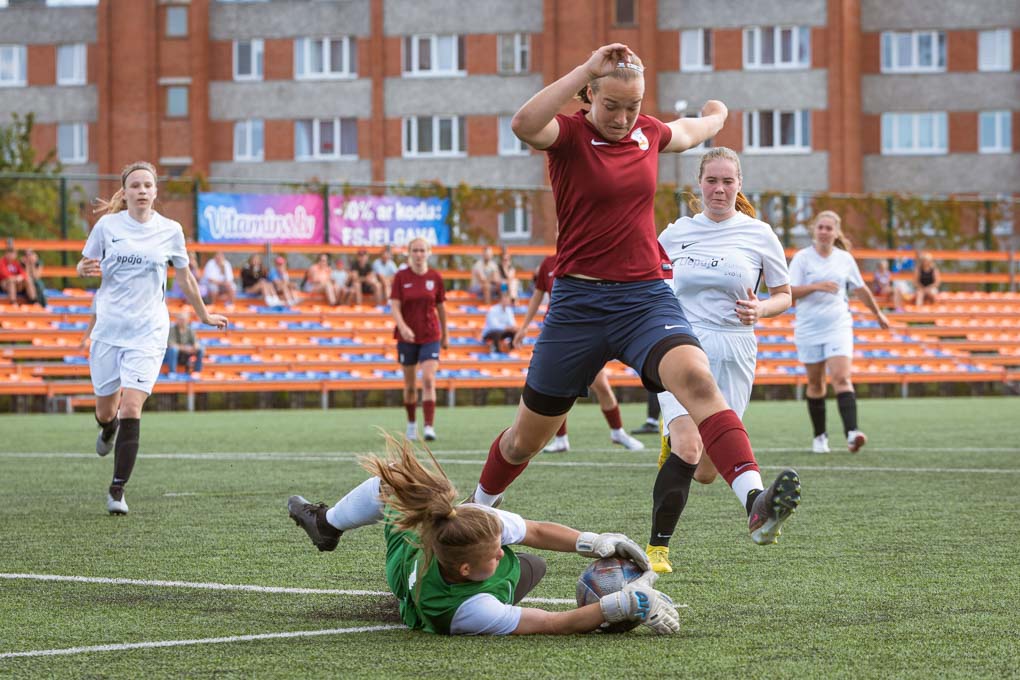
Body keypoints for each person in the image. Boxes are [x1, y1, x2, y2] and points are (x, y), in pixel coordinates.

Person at [468, 45, 785, 552]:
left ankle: (755, 501)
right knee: (526, 439)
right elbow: (525, 124)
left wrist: (716, 116)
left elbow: (689, 132)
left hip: (644, 299)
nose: (621, 118)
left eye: (632, 107)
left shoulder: (648, 133)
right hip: (578, 305)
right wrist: (585, 67)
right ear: (589, 96)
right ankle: (477, 508)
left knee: (698, 380)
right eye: (610, 105)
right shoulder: (568, 135)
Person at [286, 435, 678, 636]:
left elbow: (535, 530)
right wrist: (621, 605)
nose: (502, 550)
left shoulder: (473, 519)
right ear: (465, 569)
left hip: (427, 556)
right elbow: (551, 623)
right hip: (411, 579)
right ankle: (332, 527)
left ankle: (326, 524)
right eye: (494, 553)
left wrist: (594, 542)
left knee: (392, 483)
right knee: (531, 567)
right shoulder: (467, 611)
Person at [647, 147, 798, 573]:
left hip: (735, 348)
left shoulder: (759, 234)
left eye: (727, 181)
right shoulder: (675, 233)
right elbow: (648, 281)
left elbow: (784, 295)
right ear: (699, 184)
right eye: (711, 180)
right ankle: (657, 549)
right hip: (681, 343)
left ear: (739, 184)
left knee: (707, 470)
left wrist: (761, 309)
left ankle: (677, 444)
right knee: (689, 444)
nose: (719, 189)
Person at [76, 161, 227, 515]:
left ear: (156, 191)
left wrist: (204, 315)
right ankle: (107, 428)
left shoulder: (171, 230)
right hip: (109, 331)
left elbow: (185, 278)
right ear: (125, 192)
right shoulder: (107, 226)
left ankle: (117, 490)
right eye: (135, 185)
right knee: (106, 410)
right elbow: (85, 264)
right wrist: (81, 268)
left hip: (149, 332)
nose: (142, 190)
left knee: (131, 406)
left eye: (147, 185)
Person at [513, 252, 644, 452]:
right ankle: (561, 439)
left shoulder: (585, 257)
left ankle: (617, 432)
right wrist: (523, 328)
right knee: (556, 387)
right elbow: (537, 296)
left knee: (602, 386)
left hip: (584, 333)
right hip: (558, 334)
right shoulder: (548, 263)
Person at [789, 210, 890, 455]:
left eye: (829, 228)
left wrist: (878, 314)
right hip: (808, 327)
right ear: (814, 230)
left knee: (842, 378)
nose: (824, 232)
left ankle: (852, 433)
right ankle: (820, 436)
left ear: (836, 233)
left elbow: (861, 289)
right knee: (815, 384)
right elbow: (789, 292)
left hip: (838, 325)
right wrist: (817, 286)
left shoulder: (844, 259)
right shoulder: (802, 259)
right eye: (820, 227)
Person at [390, 238, 448, 442]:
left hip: (430, 335)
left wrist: (445, 333)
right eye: (415, 250)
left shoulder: (435, 277)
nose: (418, 254)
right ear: (409, 253)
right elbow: (394, 305)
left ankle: (429, 426)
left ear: (429, 252)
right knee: (410, 386)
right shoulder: (401, 277)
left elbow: (441, 307)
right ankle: (412, 424)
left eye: (422, 250)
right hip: (407, 338)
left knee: (429, 379)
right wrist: (403, 327)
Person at [164, 309, 204, 376]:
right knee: (173, 350)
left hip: (186, 354)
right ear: (177, 319)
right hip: (173, 355)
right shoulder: (171, 329)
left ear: (187, 320)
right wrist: (185, 348)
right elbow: (171, 344)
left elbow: (195, 343)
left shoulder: (190, 330)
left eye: (184, 319)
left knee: (200, 349)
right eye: (180, 319)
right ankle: (172, 372)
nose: (182, 321)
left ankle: (197, 372)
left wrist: (195, 346)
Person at [482, 288, 517, 353]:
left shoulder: (509, 310)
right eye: (505, 298)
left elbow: (512, 323)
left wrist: (513, 328)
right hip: (490, 333)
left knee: (516, 332)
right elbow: (493, 326)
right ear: (501, 299)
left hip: (502, 332)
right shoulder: (493, 310)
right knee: (497, 333)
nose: (507, 300)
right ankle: (497, 351)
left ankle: (510, 349)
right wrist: (506, 328)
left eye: (508, 299)